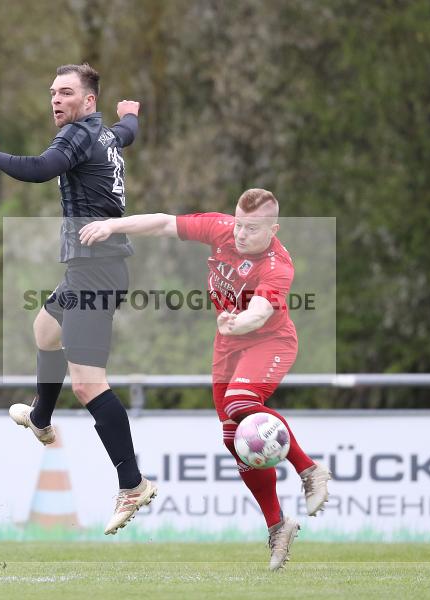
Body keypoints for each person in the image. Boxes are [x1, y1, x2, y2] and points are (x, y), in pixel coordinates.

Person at [78, 188, 331, 570]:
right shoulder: (222, 230)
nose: (242, 234)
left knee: (240, 404)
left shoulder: (278, 265)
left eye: (253, 228)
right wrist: (112, 225)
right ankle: (278, 525)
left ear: (274, 229)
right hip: (228, 346)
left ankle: (309, 469)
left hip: (269, 341)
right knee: (234, 439)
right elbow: (164, 223)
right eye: (240, 224)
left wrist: (238, 321)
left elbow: (261, 313)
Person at [0, 63, 156, 535]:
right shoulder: (105, 134)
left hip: (96, 272)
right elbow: (127, 132)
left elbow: (40, 170)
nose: (56, 100)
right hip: (90, 270)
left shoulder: (76, 136)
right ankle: (41, 419)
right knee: (44, 330)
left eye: (67, 92)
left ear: (87, 101)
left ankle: (132, 484)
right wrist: (131, 115)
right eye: (53, 92)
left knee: (89, 384)